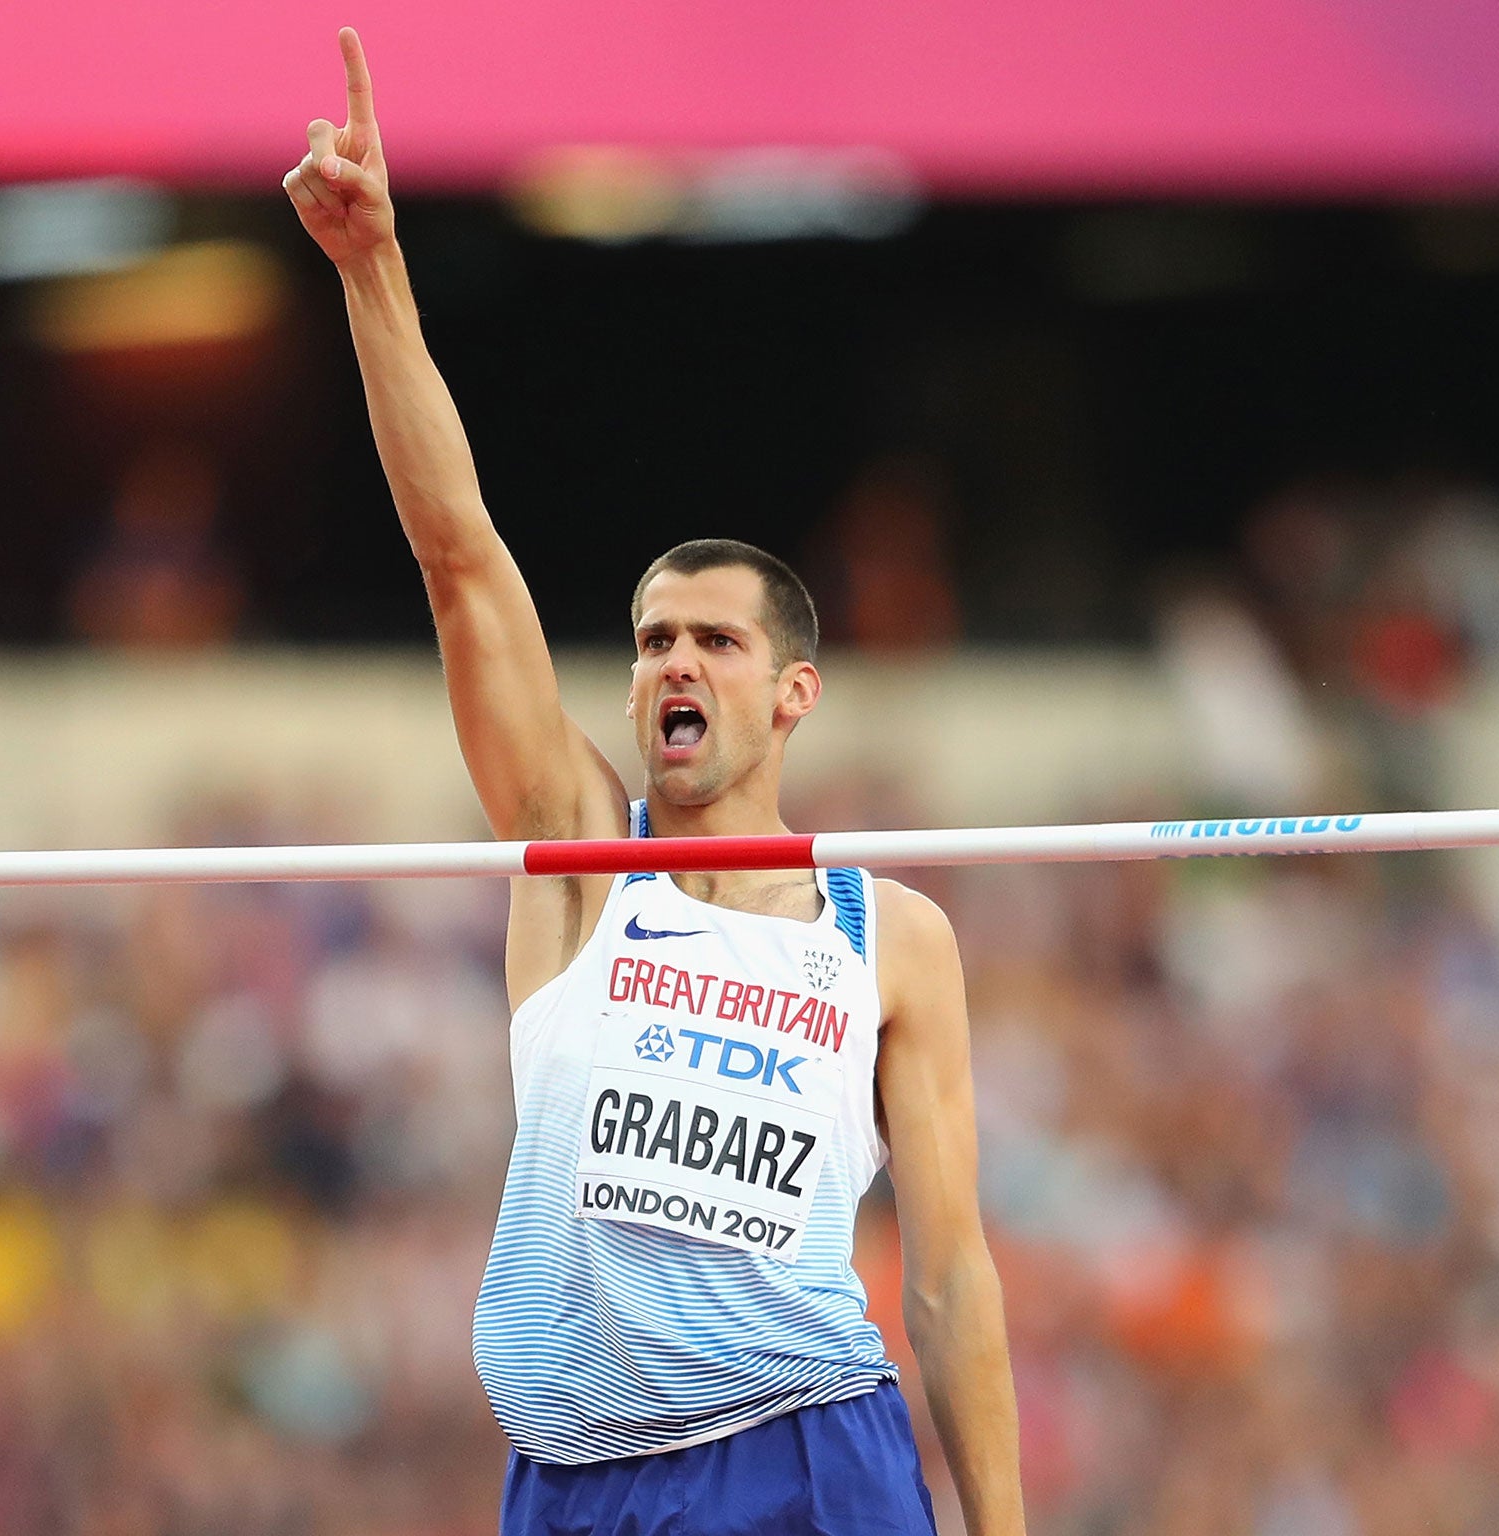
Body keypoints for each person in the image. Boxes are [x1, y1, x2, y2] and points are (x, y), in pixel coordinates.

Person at [284, 30, 1026, 1536]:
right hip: (578, 1480)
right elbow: (459, 556)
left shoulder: (890, 939)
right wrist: (374, 274)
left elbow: (947, 1269)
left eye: (715, 642)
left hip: (805, 1442)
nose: (673, 664)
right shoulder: (576, 859)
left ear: (792, 693)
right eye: (650, 642)